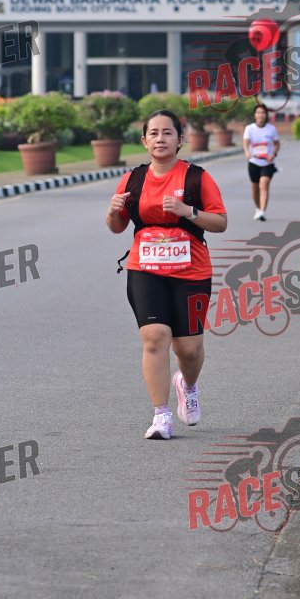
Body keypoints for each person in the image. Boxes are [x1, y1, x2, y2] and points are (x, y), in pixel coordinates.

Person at [106, 111, 227, 440]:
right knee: (155, 337)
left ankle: (187, 384)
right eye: (154, 133)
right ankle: (161, 416)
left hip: (191, 271)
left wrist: (188, 211)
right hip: (145, 269)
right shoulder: (133, 179)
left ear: (180, 140)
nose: (160, 139)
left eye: (168, 133)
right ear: (144, 141)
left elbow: (220, 222)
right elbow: (117, 226)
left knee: (188, 349)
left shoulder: (197, 178)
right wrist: (112, 211)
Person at [242, 102, 280, 221]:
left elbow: (277, 144)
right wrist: (247, 152)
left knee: (264, 183)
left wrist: (273, 154)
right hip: (254, 162)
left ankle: (263, 211)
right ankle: (258, 208)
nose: (261, 115)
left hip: (267, 162)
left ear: (266, 115)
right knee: (255, 188)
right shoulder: (249, 128)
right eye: (258, 112)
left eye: (263, 112)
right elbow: (246, 143)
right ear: (255, 115)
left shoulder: (272, 129)